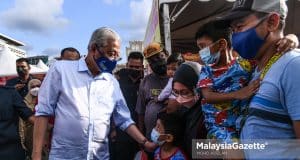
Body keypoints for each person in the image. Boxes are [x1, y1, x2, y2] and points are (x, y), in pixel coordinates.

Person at [32, 27, 155, 160]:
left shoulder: (111, 82)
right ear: (93, 48)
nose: (113, 60)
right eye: (110, 53)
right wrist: (36, 154)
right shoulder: (61, 70)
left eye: (116, 56)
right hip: (65, 156)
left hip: (99, 156)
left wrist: (145, 142)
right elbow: (43, 112)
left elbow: (124, 119)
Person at [220, 0, 300, 159]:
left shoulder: (293, 66)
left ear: (272, 22)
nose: (235, 36)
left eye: (240, 27)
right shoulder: (254, 70)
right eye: (233, 30)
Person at [109, 51, 144, 160]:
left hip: (140, 130)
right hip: (122, 131)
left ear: (142, 66)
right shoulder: (117, 81)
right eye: (131, 66)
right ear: (127, 65)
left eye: (137, 67)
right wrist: (113, 129)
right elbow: (112, 106)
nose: (134, 69)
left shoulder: (145, 82)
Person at [171, 61, 206, 158]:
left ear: (197, 88)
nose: (180, 99)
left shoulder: (210, 114)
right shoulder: (183, 110)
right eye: (176, 92)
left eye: (185, 92)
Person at [136, 42, 169, 139]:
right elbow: (140, 112)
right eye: (152, 61)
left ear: (167, 54)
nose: (157, 63)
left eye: (160, 57)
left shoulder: (178, 76)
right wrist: (141, 137)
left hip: (176, 140)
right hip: (151, 140)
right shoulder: (145, 81)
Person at [0, 85, 35, 160]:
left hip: (11, 150)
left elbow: (29, 117)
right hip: (12, 151)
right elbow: (30, 117)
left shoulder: (9, 92)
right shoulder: (9, 92)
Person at [20, 79, 50, 160]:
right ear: (29, 89)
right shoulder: (24, 103)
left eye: (38, 86)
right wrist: (22, 143)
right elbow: (21, 125)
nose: (36, 88)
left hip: (46, 136)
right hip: (30, 137)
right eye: (33, 87)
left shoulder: (48, 101)